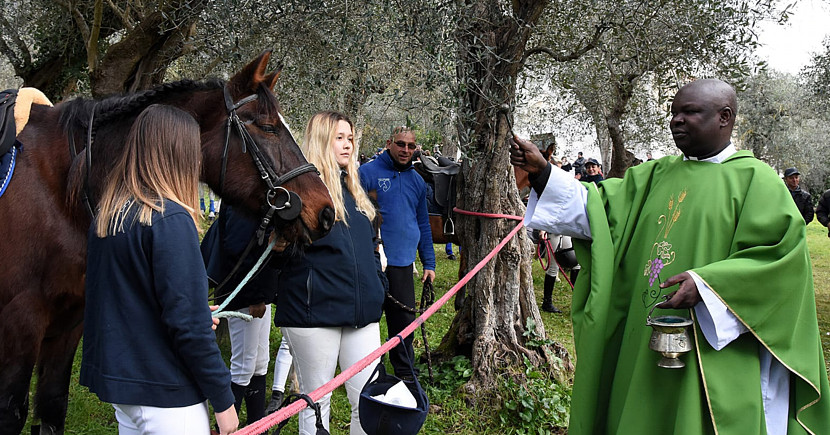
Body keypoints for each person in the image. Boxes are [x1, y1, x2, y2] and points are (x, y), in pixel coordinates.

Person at [509, 79, 830, 434]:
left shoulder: (757, 182)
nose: (676, 120)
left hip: (713, 352)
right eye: (674, 112)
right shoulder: (654, 175)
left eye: (689, 112)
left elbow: (780, 263)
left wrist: (708, 286)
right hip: (644, 338)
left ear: (725, 117)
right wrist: (543, 174)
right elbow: (597, 209)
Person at [81, 105, 238, 434]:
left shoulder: (109, 215)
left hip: (127, 386)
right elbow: (188, 329)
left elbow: (126, 300)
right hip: (166, 391)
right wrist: (224, 402)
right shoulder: (170, 219)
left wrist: (193, 309)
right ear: (179, 153)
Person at [272, 111, 386, 435]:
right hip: (313, 313)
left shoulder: (355, 192)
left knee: (367, 403)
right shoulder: (296, 195)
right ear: (322, 141)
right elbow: (277, 252)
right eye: (340, 138)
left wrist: (378, 283)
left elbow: (370, 248)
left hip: (361, 312)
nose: (348, 145)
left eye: (350, 138)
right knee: (315, 404)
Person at [359, 125, 436, 380]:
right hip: (372, 263)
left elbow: (423, 223)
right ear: (389, 142)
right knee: (368, 322)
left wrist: (429, 262)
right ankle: (367, 371)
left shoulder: (417, 181)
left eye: (411, 146)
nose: (405, 150)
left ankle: (405, 372)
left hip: (403, 264)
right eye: (401, 144)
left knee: (403, 323)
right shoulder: (367, 173)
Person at [202, 204, 280, 425]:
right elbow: (239, 250)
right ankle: (224, 427)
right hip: (245, 294)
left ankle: (257, 424)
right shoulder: (242, 203)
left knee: (260, 363)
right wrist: (254, 295)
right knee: (243, 364)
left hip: (259, 293)